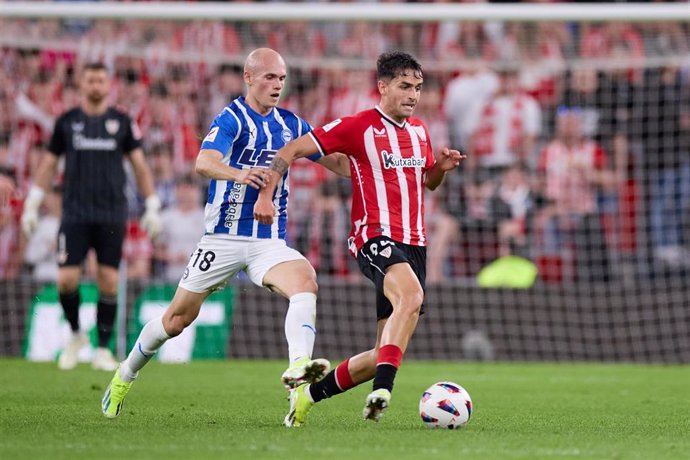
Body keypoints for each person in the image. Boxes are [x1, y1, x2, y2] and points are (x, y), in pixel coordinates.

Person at [101, 48, 351, 419]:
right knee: (176, 320)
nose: (277, 85)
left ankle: (299, 374)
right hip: (221, 240)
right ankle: (125, 373)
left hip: (267, 241)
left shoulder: (292, 125)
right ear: (249, 78)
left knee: (305, 282)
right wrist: (238, 174)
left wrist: (377, 166)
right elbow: (203, 162)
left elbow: (337, 162)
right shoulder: (231, 118)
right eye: (269, 77)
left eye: (282, 78)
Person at [254, 51, 464, 426]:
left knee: (384, 349)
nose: (413, 94)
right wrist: (266, 194)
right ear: (382, 87)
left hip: (415, 243)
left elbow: (426, 181)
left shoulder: (419, 131)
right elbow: (293, 148)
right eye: (404, 86)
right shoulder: (359, 126)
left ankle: (307, 398)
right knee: (411, 298)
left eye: (417, 87)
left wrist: (440, 170)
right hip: (374, 235)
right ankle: (383, 392)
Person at [20, 62, 162, 371]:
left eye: (101, 80)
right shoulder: (67, 122)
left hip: (111, 214)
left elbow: (139, 165)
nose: (96, 85)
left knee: (109, 282)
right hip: (75, 214)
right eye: (91, 80)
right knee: (66, 279)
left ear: (108, 85)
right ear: (82, 85)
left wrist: (151, 203)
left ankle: (102, 350)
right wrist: (33, 202)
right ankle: (75, 335)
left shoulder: (122, 122)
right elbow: (48, 165)